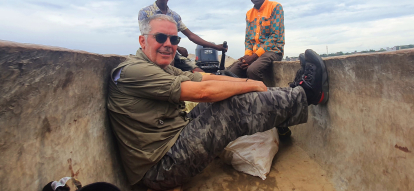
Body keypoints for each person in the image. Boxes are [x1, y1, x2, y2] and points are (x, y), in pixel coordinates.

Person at [107, 14, 329, 190]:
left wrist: (242, 81)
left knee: (227, 95)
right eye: (160, 37)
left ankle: (292, 93)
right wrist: (251, 85)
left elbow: (205, 77)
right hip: (160, 168)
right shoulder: (135, 70)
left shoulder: (158, 66)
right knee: (229, 109)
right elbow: (203, 92)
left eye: (174, 39)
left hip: (173, 139)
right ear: (142, 40)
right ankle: (307, 94)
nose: (168, 44)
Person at [138, 0, 227, 72]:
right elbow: (147, 37)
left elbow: (191, 35)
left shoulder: (174, 16)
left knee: (198, 71)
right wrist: (178, 47)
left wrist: (215, 47)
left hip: (171, 53)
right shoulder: (145, 12)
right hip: (151, 52)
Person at [228, 0, 285, 82]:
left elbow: (275, 36)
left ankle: (263, 96)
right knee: (232, 72)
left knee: (253, 70)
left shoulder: (275, 7)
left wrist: (254, 56)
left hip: (273, 50)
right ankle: (243, 96)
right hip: (254, 54)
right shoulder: (249, 14)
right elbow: (248, 39)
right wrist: (247, 55)